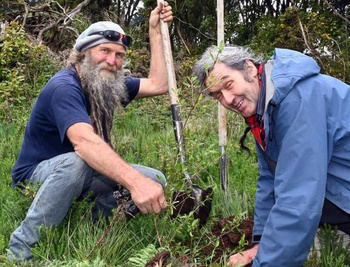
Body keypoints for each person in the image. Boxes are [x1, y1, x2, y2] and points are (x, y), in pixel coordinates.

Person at [8, 2, 173, 262]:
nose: (113, 61)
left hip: (80, 173)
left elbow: (159, 84)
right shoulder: (64, 86)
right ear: (83, 53)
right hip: (36, 177)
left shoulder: (105, 83)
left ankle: (92, 225)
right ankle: (20, 252)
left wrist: (155, 30)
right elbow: (84, 144)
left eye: (119, 55)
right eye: (105, 51)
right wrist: (135, 182)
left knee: (156, 179)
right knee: (80, 162)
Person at [193, 46, 350, 266]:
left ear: (249, 69)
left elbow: (298, 197)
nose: (227, 99)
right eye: (218, 95)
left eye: (228, 84)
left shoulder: (297, 100)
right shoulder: (265, 108)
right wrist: (260, 243)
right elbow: (270, 180)